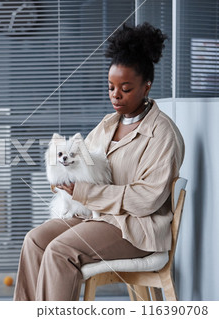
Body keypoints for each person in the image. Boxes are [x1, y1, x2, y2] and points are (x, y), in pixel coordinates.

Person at [13, 22, 185, 301]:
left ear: (146, 87)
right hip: (95, 217)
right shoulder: (108, 124)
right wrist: (62, 181)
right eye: (111, 87)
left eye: (125, 89)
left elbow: (146, 199)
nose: (115, 96)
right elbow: (81, 163)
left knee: (60, 251)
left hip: (134, 229)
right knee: (35, 241)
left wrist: (84, 191)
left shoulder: (162, 134)